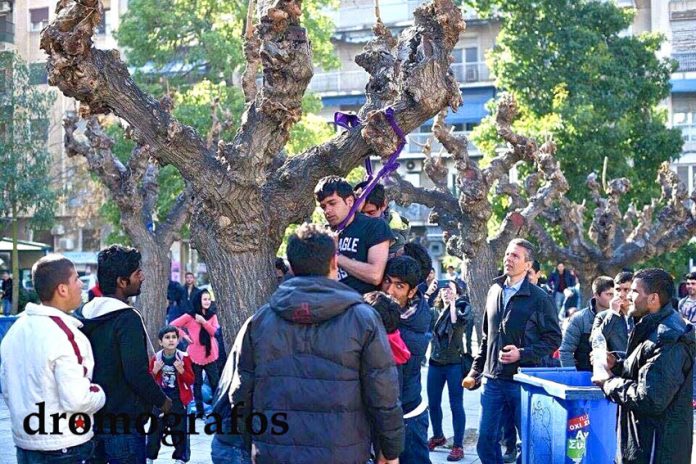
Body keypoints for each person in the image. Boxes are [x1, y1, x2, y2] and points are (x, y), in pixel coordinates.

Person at [229, 223, 404, 463]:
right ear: (334, 262)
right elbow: (383, 395)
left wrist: (254, 444)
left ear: (291, 265)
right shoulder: (363, 319)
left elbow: (240, 394)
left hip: (275, 452)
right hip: (342, 453)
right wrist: (390, 450)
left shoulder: (260, 321)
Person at [463, 238, 561, 464]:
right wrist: (475, 371)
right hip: (492, 380)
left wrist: (522, 353)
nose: (508, 258)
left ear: (528, 265)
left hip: (523, 382)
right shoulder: (494, 290)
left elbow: (554, 338)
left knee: (530, 442)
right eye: (507, 254)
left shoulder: (540, 298)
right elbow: (488, 337)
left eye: (515, 256)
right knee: (485, 442)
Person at [0, 254, 106, 462]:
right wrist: (100, 393)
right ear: (62, 289)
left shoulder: (15, 331)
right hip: (65, 445)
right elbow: (78, 398)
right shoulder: (67, 334)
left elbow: (7, 388)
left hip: (25, 443)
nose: (81, 286)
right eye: (76, 279)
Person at [77, 245, 172, 463]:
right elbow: (136, 373)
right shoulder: (127, 319)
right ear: (122, 281)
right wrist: (162, 401)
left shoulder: (82, 315)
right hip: (123, 428)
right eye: (137, 273)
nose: (142, 277)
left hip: (91, 422)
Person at [597, 268, 695, 464]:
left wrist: (608, 383)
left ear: (653, 299)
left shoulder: (669, 338)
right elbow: (644, 370)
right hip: (642, 444)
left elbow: (649, 398)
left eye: (634, 291)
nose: (627, 297)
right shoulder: (650, 327)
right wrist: (616, 365)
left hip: (656, 451)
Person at [381, 255, 432, 464]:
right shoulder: (384, 312)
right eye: (387, 281)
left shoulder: (415, 325)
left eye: (399, 286)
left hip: (408, 414)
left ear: (412, 292)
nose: (389, 290)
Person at [315, 176, 393, 294]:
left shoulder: (374, 226)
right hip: (329, 305)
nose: (327, 211)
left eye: (332, 203)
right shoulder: (322, 233)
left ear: (349, 201)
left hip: (362, 306)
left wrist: (336, 255)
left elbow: (375, 275)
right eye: (323, 206)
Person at [426, 280, 471, 462]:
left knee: (456, 404)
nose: (446, 292)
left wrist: (452, 303)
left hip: (454, 364)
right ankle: (438, 436)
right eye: (443, 289)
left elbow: (456, 323)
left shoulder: (462, 307)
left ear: (457, 292)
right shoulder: (434, 310)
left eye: (449, 289)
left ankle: (458, 446)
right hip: (435, 363)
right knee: (433, 403)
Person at [146, 326, 195, 464]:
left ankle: (180, 458)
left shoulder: (183, 358)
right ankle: (149, 457)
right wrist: (155, 371)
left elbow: (191, 380)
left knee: (179, 430)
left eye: (174, 337)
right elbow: (149, 380)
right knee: (155, 431)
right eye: (167, 338)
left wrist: (182, 371)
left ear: (178, 340)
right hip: (160, 400)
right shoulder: (157, 358)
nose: (171, 340)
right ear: (160, 342)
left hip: (178, 400)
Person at [171, 289, 220, 418]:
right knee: (197, 383)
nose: (207, 302)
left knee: (215, 382)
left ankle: (217, 410)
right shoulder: (190, 316)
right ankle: (199, 411)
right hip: (195, 355)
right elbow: (173, 325)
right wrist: (184, 336)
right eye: (205, 299)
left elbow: (214, 333)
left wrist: (203, 322)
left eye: (209, 299)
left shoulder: (212, 315)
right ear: (199, 300)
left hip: (210, 354)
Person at [559, 276, 614, 371]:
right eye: (609, 294)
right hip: (584, 377)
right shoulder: (579, 319)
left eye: (615, 294)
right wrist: (573, 376)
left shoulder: (623, 318)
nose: (613, 298)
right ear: (596, 295)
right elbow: (566, 351)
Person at [592, 271, 634, 357]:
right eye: (618, 290)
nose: (621, 294)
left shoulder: (644, 315)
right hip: (616, 367)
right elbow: (596, 341)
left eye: (626, 290)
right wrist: (613, 314)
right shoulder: (602, 317)